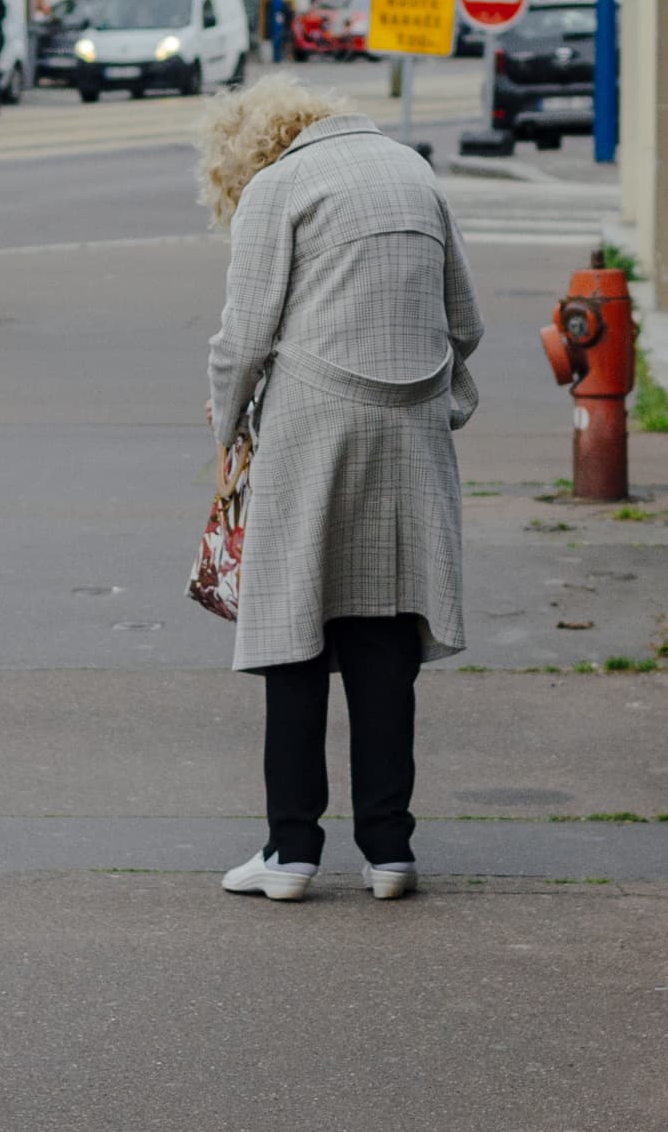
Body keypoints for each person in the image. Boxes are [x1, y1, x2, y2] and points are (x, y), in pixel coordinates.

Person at [198, 75, 481, 903]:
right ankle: (389, 850)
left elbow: (241, 337)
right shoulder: (414, 172)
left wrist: (226, 428)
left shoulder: (278, 187)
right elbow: (464, 321)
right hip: (412, 427)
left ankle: (291, 852)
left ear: (249, 147)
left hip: (313, 424)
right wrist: (438, 391)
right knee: (386, 630)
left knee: (293, 630)